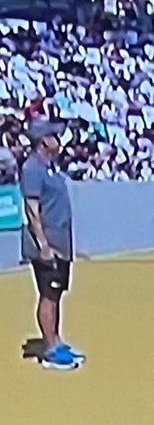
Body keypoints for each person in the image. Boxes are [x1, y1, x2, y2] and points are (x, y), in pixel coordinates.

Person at [20, 116, 85, 370]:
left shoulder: (51, 166)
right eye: (54, 136)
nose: (58, 139)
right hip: (47, 242)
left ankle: (56, 339)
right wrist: (43, 245)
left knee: (56, 293)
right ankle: (49, 348)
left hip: (60, 241)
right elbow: (32, 208)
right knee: (48, 294)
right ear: (43, 141)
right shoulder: (33, 168)